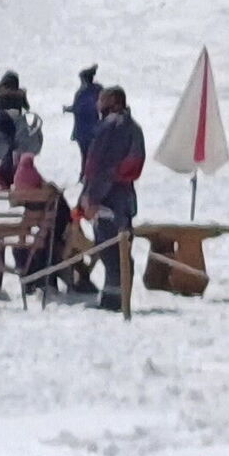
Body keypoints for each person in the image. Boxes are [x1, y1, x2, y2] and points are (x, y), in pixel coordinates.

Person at [79, 86, 145, 313]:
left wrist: (90, 197)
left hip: (108, 197)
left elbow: (99, 166)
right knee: (119, 250)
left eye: (103, 100)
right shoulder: (134, 127)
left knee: (111, 250)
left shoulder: (112, 127)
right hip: (124, 198)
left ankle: (114, 300)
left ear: (114, 101)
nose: (99, 104)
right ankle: (116, 297)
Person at [66, 66, 103, 158]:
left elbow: (77, 108)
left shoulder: (81, 93)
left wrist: (67, 109)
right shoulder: (98, 89)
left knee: (85, 155)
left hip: (83, 130)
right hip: (95, 128)